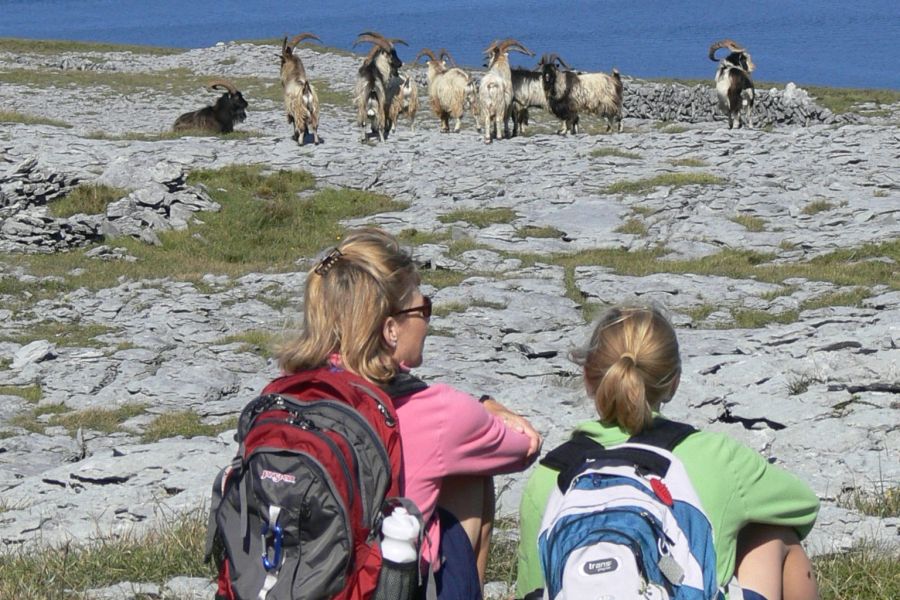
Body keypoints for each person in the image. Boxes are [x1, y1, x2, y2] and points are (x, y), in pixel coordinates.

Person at [276, 227, 542, 599]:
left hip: (292, 581)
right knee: (472, 473)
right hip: (383, 588)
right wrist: (489, 407)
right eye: (422, 309)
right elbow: (524, 446)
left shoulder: (286, 395)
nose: (427, 322)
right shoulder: (438, 411)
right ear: (390, 330)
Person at [516, 306, 820, 600]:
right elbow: (802, 506)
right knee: (773, 531)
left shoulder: (550, 476)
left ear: (588, 378)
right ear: (673, 382)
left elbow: (533, 590)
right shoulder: (717, 457)